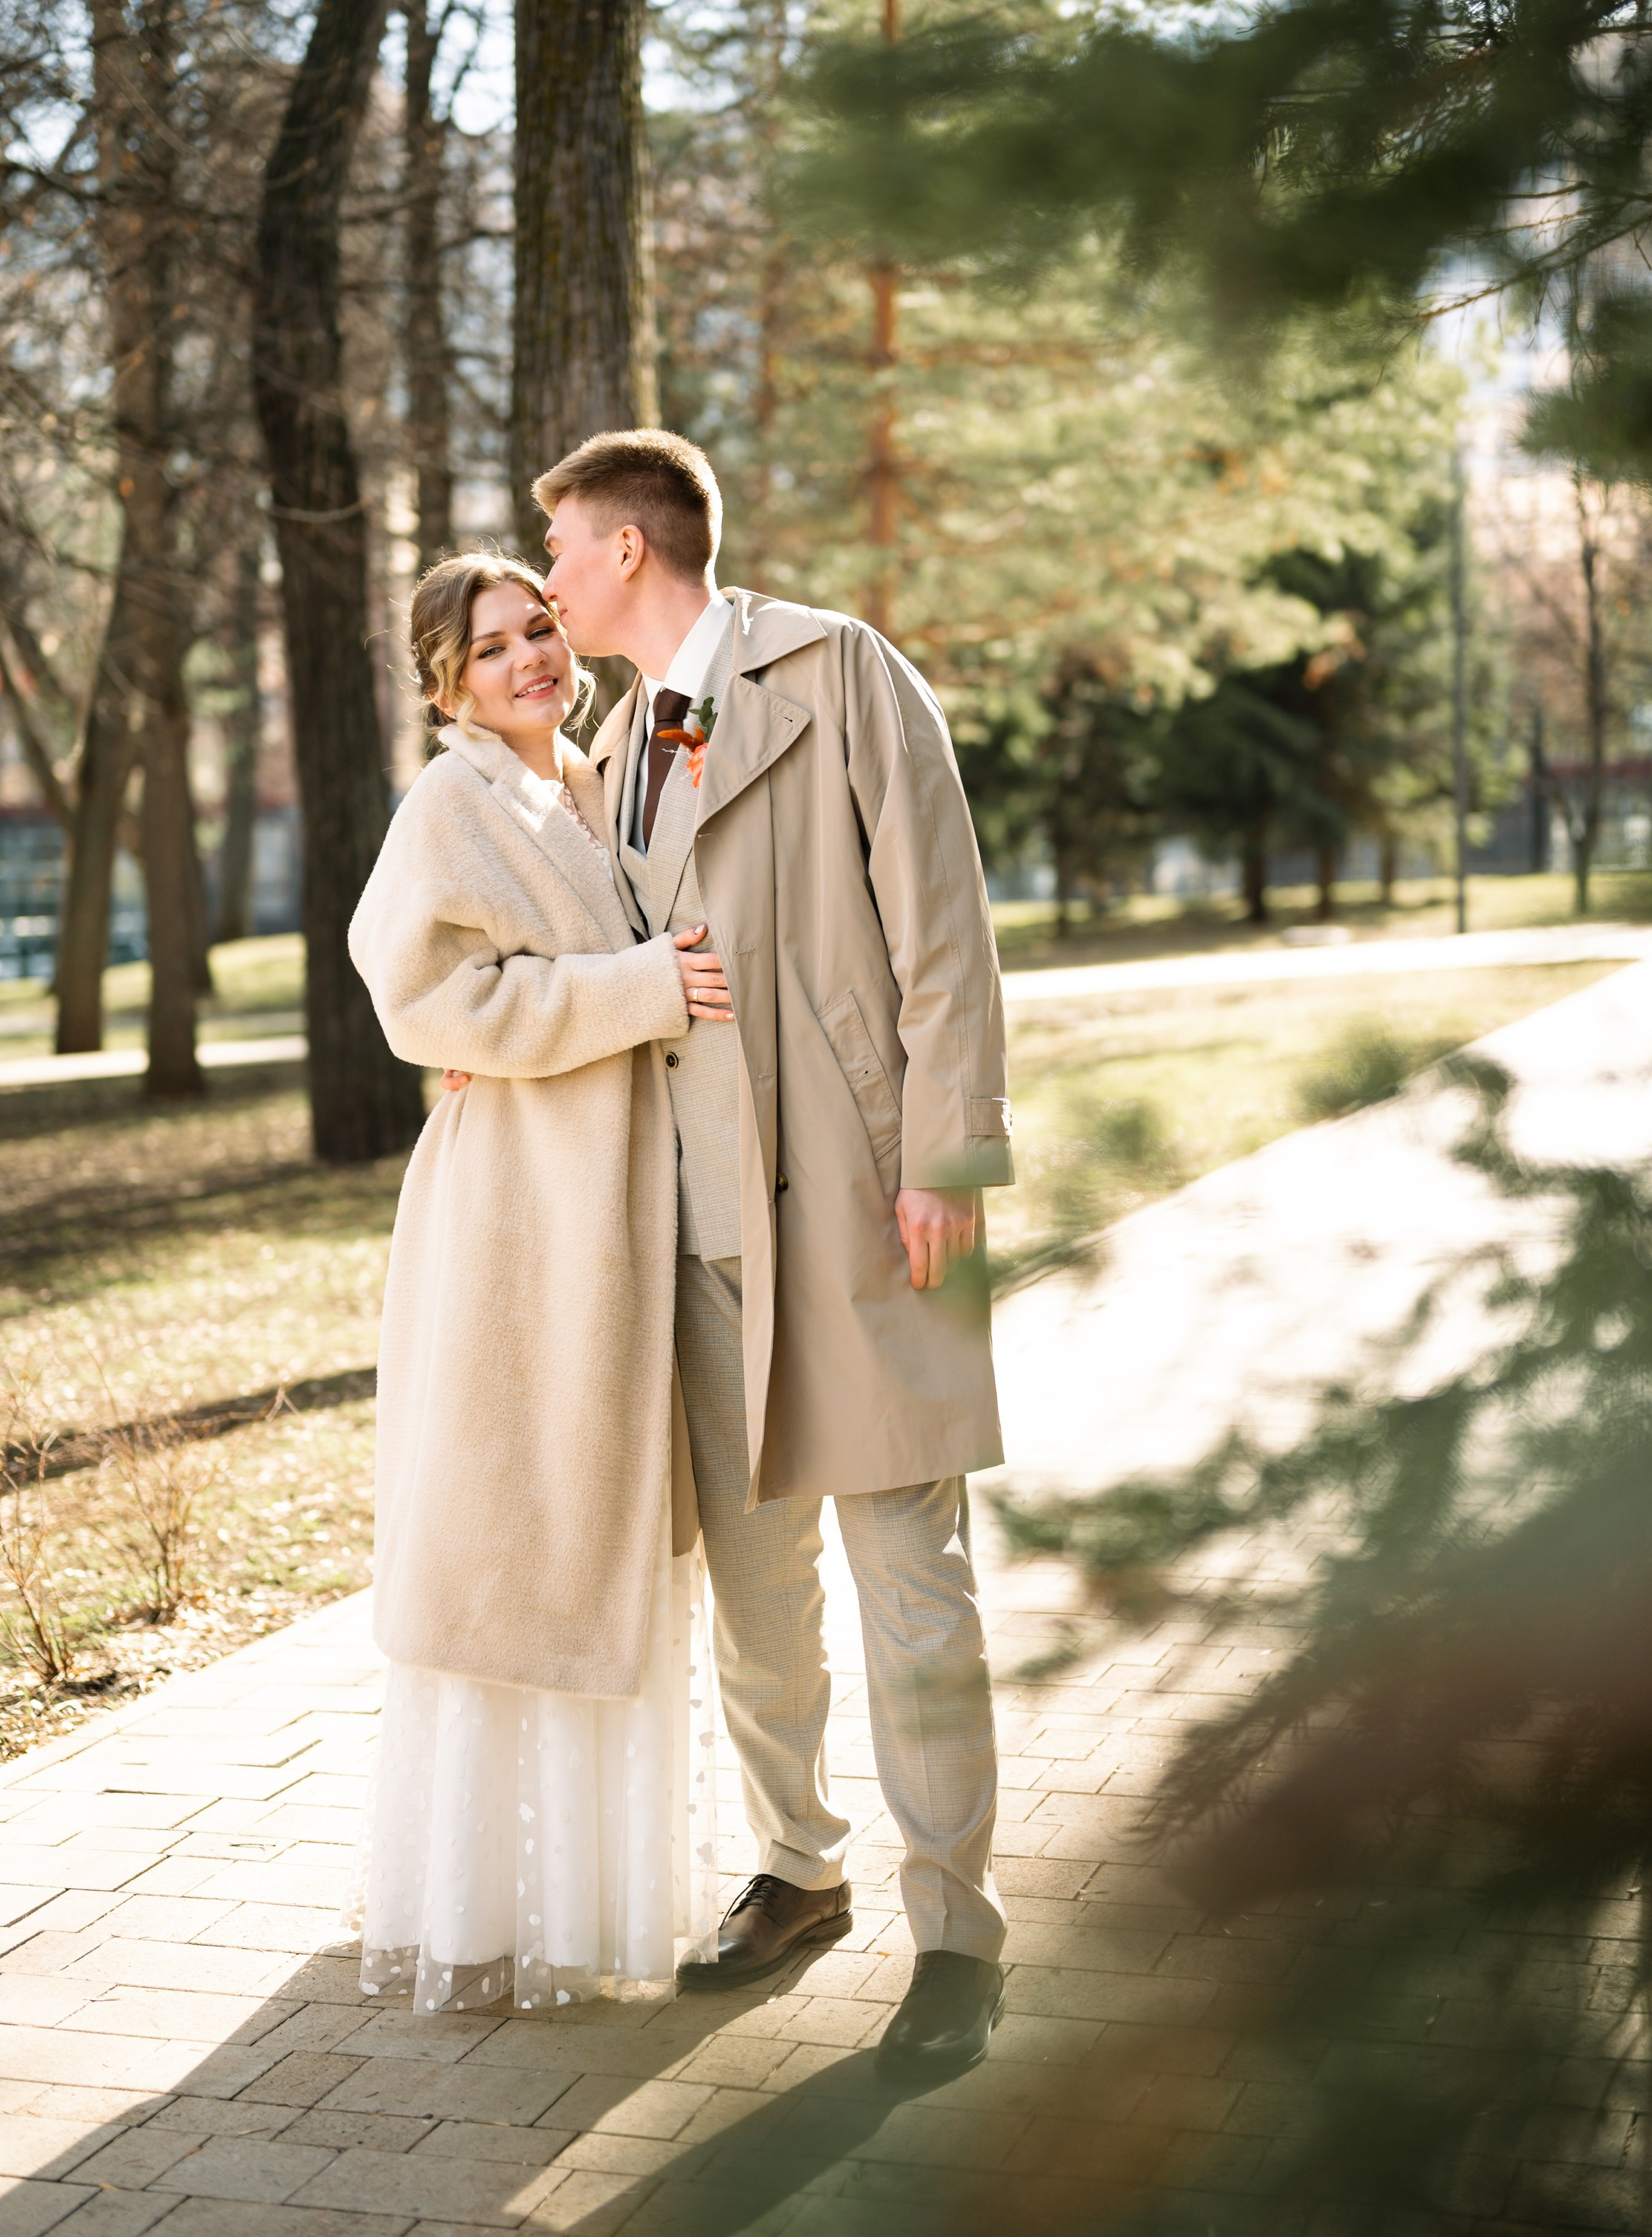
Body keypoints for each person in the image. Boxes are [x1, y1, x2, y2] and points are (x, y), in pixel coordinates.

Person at [534, 429, 1016, 2085]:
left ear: (622, 552)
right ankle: (796, 1871)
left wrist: (948, 1154)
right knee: (753, 1598)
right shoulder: (607, 743)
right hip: (689, 1236)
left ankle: (955, 1926)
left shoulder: (838, 670)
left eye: (559, 552)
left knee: (912, 1592)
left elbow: (942, 921)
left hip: (864, 1206)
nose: (543, 584)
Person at [345, 551, 734, 2012]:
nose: (527, 658)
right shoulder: (453, 803)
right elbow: (419, 996)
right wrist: (640, 989)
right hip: (517, 1218)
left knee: (599, 1538)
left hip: (609, 1207)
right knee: (511, 1547)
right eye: (491, 646)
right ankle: (475, 1912)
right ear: (443, 681)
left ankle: (585, 1901)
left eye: (540, 627)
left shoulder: (589, 781)